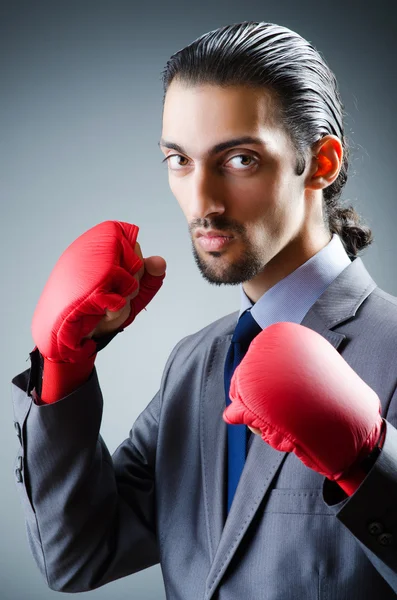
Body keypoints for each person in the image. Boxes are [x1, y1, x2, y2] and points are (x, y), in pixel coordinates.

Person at [11, 21, 397, 600]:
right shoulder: (193, 364)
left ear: (321, 163)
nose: (202, 202)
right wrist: (64, 371)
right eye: (178, 160)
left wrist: (371, 466)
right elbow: (77, 557)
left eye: (239, 159)